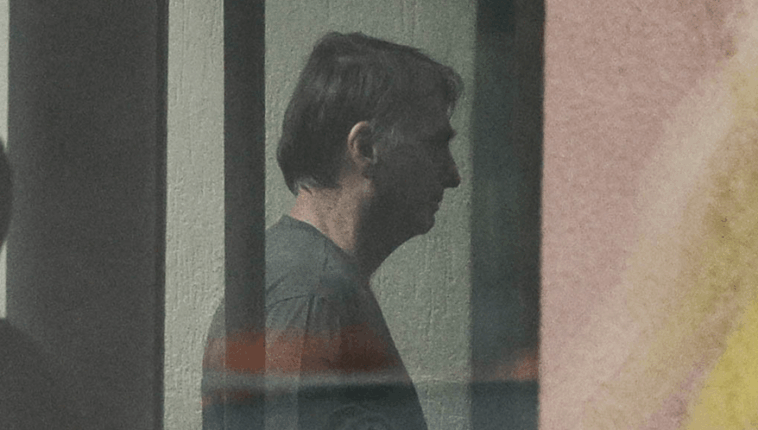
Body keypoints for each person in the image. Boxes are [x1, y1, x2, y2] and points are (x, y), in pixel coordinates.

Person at [203, 32, 462, 430]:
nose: (453, 175)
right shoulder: (310, 292)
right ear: (366, 148)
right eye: (433, 145)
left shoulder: (313, 282)